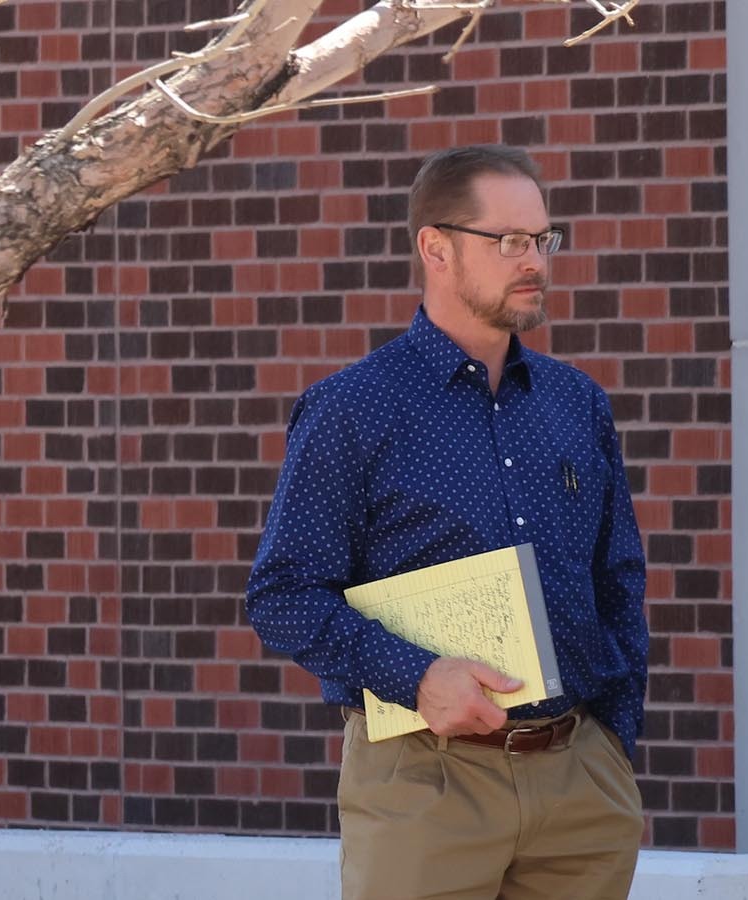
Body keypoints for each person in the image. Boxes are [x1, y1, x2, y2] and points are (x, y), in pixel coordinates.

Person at [246, 145, 647, 900]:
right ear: (436, 247)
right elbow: (283, 593)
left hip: (580, 791)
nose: (535, 261)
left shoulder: (577, 403)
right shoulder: (353, 408)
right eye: (509, 241)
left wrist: (613, 746)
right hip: (424, 786)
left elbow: (618, 578)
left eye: (543, 239)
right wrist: (418, 677)